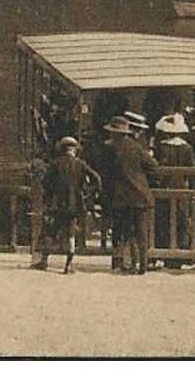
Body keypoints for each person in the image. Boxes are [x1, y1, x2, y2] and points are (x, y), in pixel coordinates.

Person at [98, 115, 160, 275]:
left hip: (119, 195)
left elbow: (102, 169)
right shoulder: (137, 148)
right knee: (140, 230)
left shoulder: (107, 148)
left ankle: (121, 262)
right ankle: (142, 265)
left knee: (121, 230)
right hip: (139, 193)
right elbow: (154, 167)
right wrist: (146, 181)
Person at [34, 136, 101, 274]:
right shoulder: (81, 164)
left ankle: (44, 261)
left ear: (61, 149)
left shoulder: (55, 164)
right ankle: (68, 265)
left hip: (58, 203)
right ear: (75, 150)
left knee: (51, 231)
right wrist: (89, 193)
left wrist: (50, 194)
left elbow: (45, 182)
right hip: (75, 203)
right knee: (71, 233)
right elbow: (97, 179)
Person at [152, 114, 195, 265]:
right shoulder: (187, 148)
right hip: (182, 188)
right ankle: (181, 255)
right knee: (181, 221)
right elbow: (193, 171)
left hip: (165, 188)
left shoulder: (161, 147)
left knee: (164, 221)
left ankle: (165, 253)